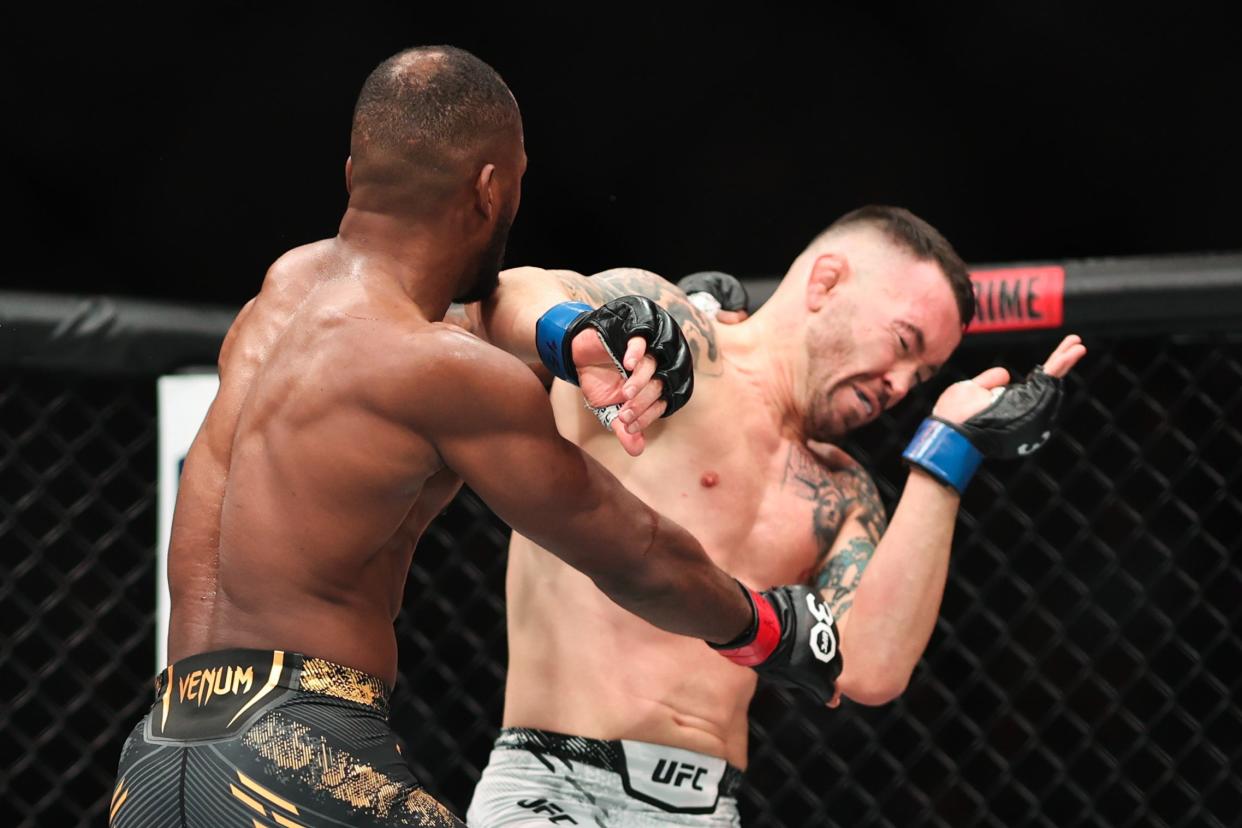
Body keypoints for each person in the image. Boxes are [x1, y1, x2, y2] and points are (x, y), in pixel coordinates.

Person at [108, 46, 843, 828]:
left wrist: (570, 336)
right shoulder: (435, 369)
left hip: (155, 757)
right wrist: (762, 626)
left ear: (354, 169)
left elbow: (479, 311)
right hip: (300, 759)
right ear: (492, 190)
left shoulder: (283, 290)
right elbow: (632, 552)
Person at [460, 205, 1086, 825]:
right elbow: (509, 292)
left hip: (708, 809)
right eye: (903, 343)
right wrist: (574, 332)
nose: (901, 384)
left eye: (921, 375)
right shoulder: (676, 340)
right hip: (555, 788)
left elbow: (870, 668)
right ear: (826, 281)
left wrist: (951, 447)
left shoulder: (841, 491)